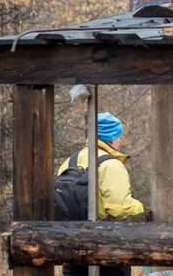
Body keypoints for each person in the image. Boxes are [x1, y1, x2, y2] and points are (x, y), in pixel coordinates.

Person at [57, 112, 144, 276]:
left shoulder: (69, 162)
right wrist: (140, 208)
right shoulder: (111, 164)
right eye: (119, 136)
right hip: (106, 249)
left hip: (71, 245)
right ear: (111, 137)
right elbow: (119, 208)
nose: (120, 141)